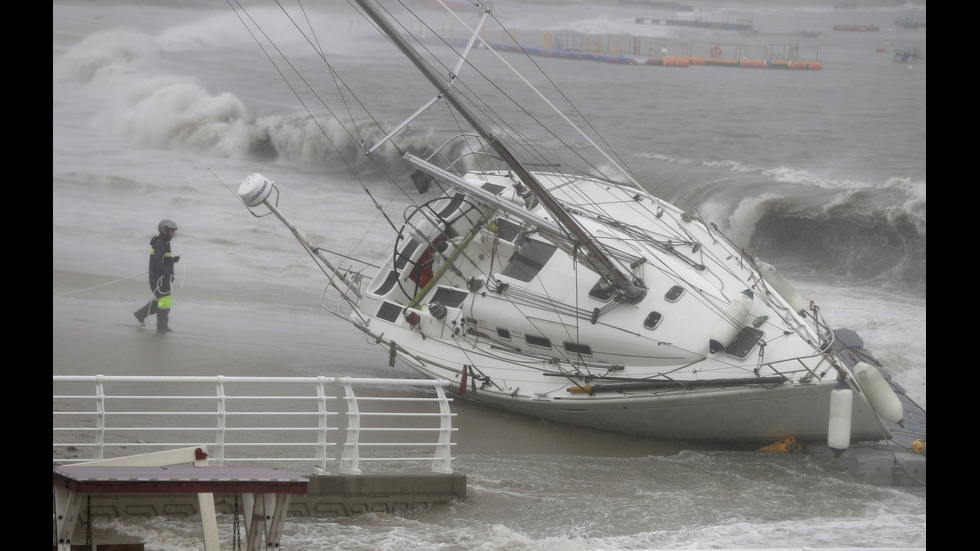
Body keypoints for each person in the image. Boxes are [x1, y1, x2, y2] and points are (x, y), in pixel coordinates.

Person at [133, 219, 180, 332]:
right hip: (159, 278)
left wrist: (172, 261)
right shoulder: (160, 242)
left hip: (161, 277)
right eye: (171, 231)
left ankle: (141, 314)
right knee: (165, 301)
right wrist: (166, 271)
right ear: (165, 231)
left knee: (161, 299)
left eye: (174, 231)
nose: (173, 233)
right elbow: (158, 260)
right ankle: (161, 326)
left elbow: (162, 259)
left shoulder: (164, 241)